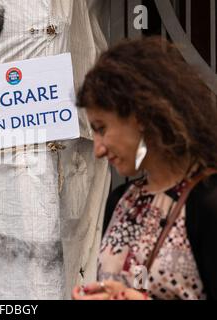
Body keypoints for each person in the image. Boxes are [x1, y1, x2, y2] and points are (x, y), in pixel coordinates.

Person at [71, 37, 217, 300]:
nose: (98, 149)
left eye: (102, 128)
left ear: (141, 116)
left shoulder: (208, 202)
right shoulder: (122, 200)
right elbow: (141, 283)